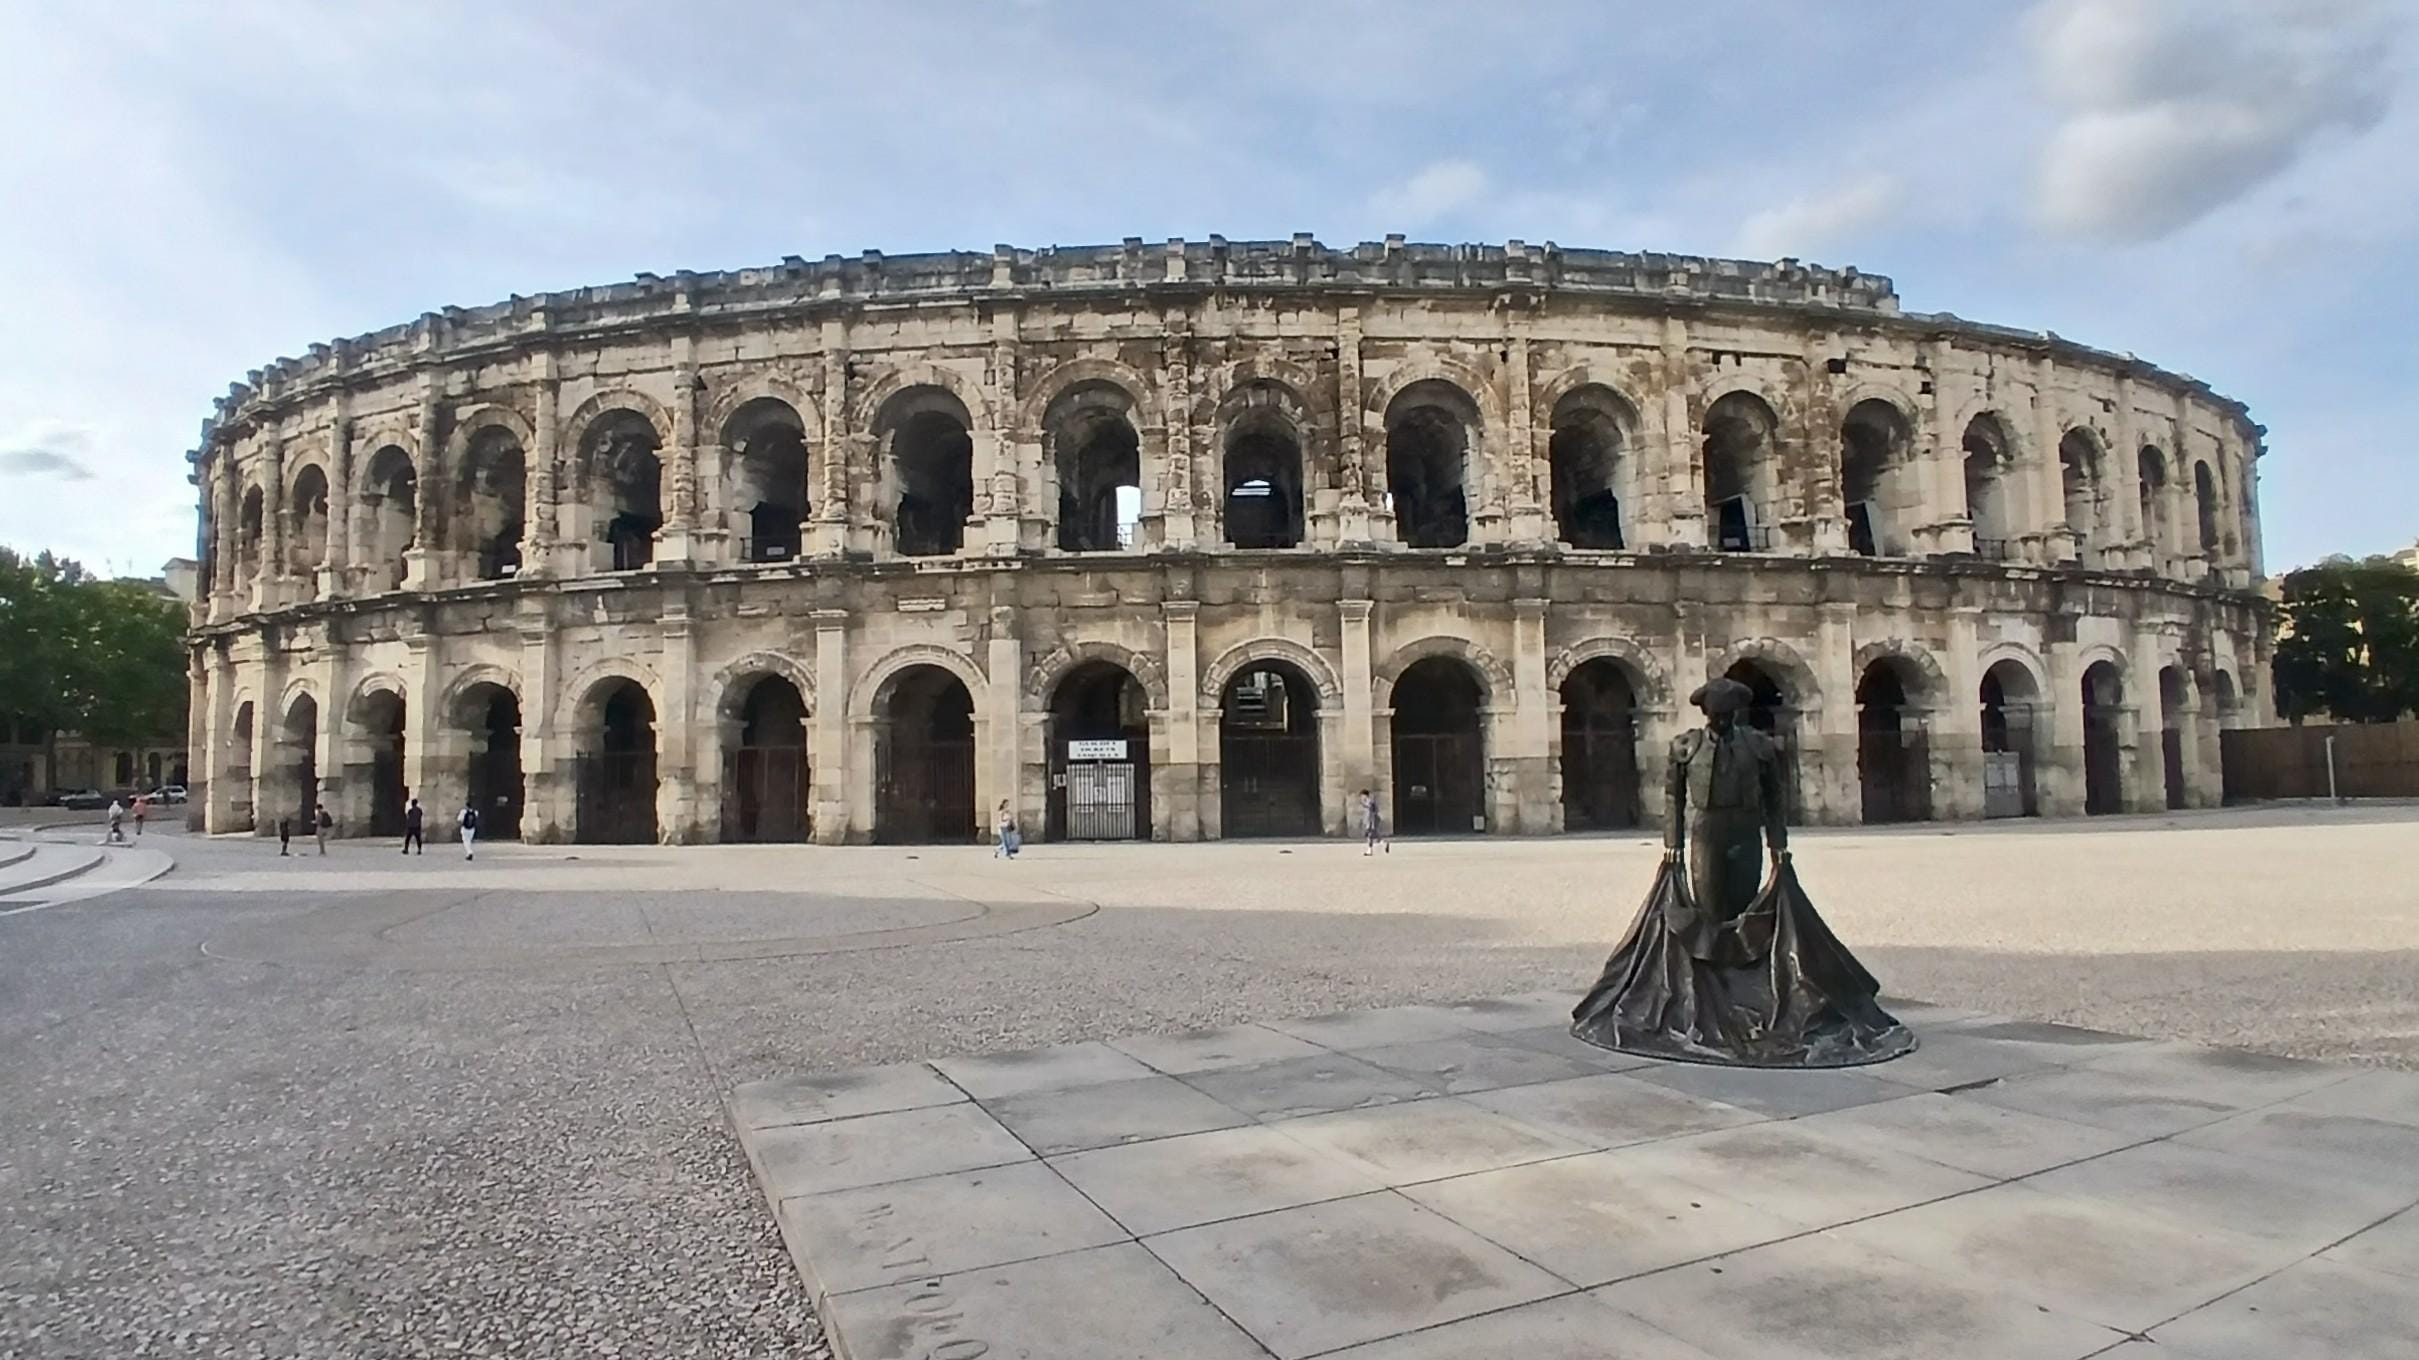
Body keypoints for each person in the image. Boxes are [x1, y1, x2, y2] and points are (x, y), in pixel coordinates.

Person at [1358, 789, 1387, 855]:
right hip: (1371, 821)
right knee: (1375, 835)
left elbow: (1370, 813)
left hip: (1371, 821)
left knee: (1370, 836)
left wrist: (1370, 823)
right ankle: (1383, 844)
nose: (1361, 798)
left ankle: (1371, 850)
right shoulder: (1369, 802)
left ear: (1365, 795)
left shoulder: (1368, 802)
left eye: (1362, 796)